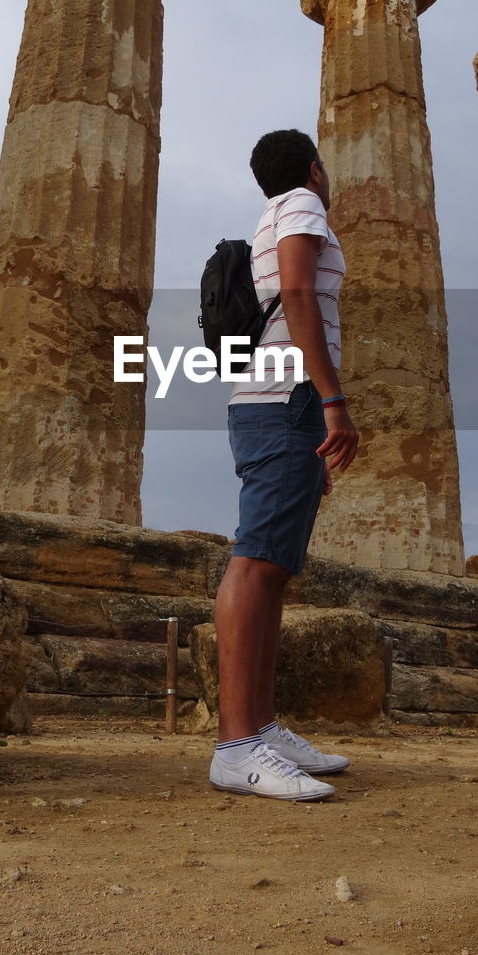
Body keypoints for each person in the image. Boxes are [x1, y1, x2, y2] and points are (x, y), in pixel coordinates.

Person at [209, 128, 359, 802]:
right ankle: (236, 747)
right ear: (312, 168)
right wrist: (332, 402)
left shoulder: (277, 211)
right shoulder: (302, 203)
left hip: (277, 403)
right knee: (257, 561)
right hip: (286, 397)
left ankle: (261, 728)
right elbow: (298, 297)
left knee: (274, 569)